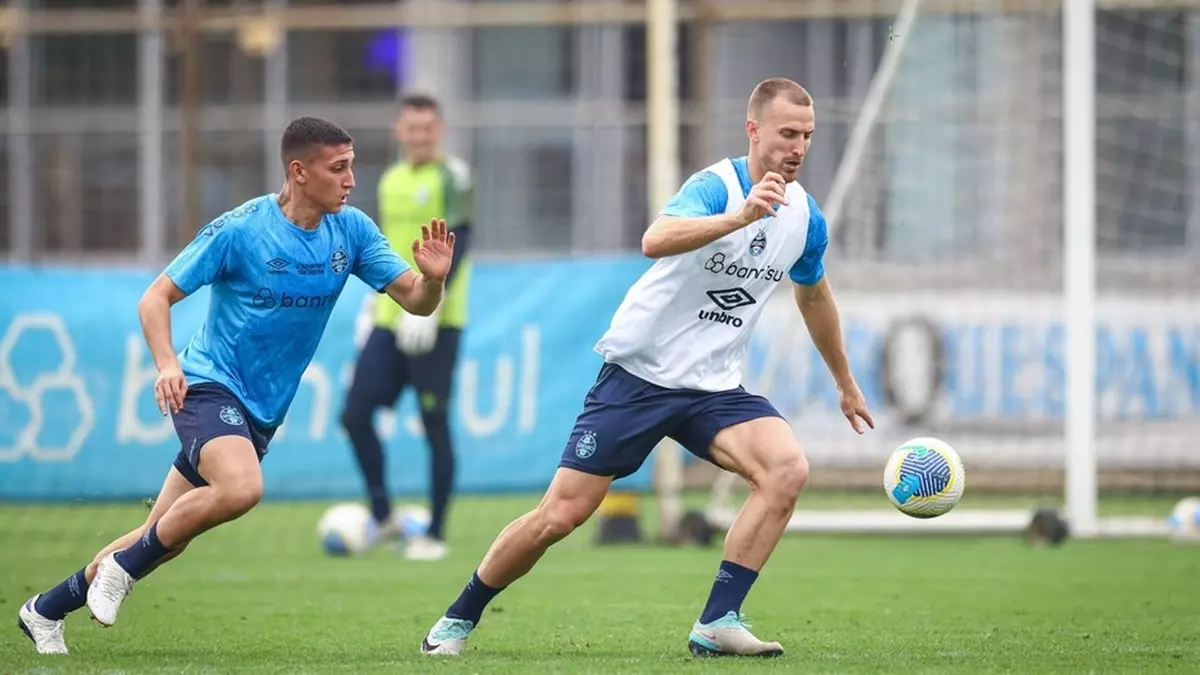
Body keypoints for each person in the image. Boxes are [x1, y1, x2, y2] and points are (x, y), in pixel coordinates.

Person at [419, 77, 874, 658]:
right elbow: (654, 238)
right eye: (788, 133)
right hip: (640, 376)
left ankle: (718, 621)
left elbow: (813, 296)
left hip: (712, 387)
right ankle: (457, 619)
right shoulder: (717, 186)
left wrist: (845, 381)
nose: (799, 146)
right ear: (754, 129)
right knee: (561, 515)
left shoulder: (806, 217)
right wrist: (736, 218)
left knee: (786, 470)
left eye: (807, 135)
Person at [17, 116, 455, 655]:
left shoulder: (354, 231)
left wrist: (433, 278)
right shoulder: (241, 229)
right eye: (338, 168)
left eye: (353, 167)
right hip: (207, 385)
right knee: (241, 490)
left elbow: (415, 300)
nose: (351, 180)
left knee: (164, 536)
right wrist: (166, 366)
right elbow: (155, 298)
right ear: (298, 171)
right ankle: (122, 571)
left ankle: (44, 610)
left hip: (262, 411)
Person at [340, 93, 474, 562]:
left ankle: (435, 532)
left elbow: (466, 238)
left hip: (440, 319)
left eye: (427, 128)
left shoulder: (452, 175)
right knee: (355, 414)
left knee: (434, 421)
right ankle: (383, 515)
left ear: (439, 131)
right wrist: (370, 307)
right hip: (391, 316)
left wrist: (435, 305)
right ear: (400, 131)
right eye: (411, 128)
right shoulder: (392, 179)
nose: (419, 136)